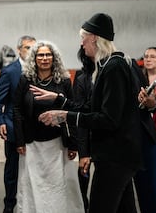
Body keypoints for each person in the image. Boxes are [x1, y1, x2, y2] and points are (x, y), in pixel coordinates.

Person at [39, 13, 142, 213]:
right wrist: (59, 100)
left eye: (83, 38)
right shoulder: (107, 66)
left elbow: (108, 119)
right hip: (117, 156)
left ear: (94, 37)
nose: (81, 43)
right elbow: (92, 108)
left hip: (115, 158)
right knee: (125, 209)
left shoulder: (114, 67)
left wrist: (64, 116)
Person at [13, 40, 83, 213]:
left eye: (48, 54)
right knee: (32, 185)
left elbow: (71, 109)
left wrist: (73, 143)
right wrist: (20, 140)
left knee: (58, 186)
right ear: (34, 59)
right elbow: (17, 109)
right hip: (31, 144)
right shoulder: (25, 80)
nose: (45, 58)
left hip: (58, 144)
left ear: (54, 58)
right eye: (40, 55)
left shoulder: (64, 81)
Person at [0, 35, 36, 213]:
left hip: (35, 129)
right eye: (27, 48)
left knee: (33, 170)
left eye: (33, 48)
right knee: (12, 170)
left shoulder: (40, 69)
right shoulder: (10, 71)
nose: (31, 51)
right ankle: (9, 204)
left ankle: (29, 203)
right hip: (13, 128)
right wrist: (1, 121)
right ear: (19, 49)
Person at [72, 46, 94, 212]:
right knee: (84, 171)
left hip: (109, 138)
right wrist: (83, 152)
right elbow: (78, 112)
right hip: (87, 131)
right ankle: (83, 203)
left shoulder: (112, 72)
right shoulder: (82, 78)